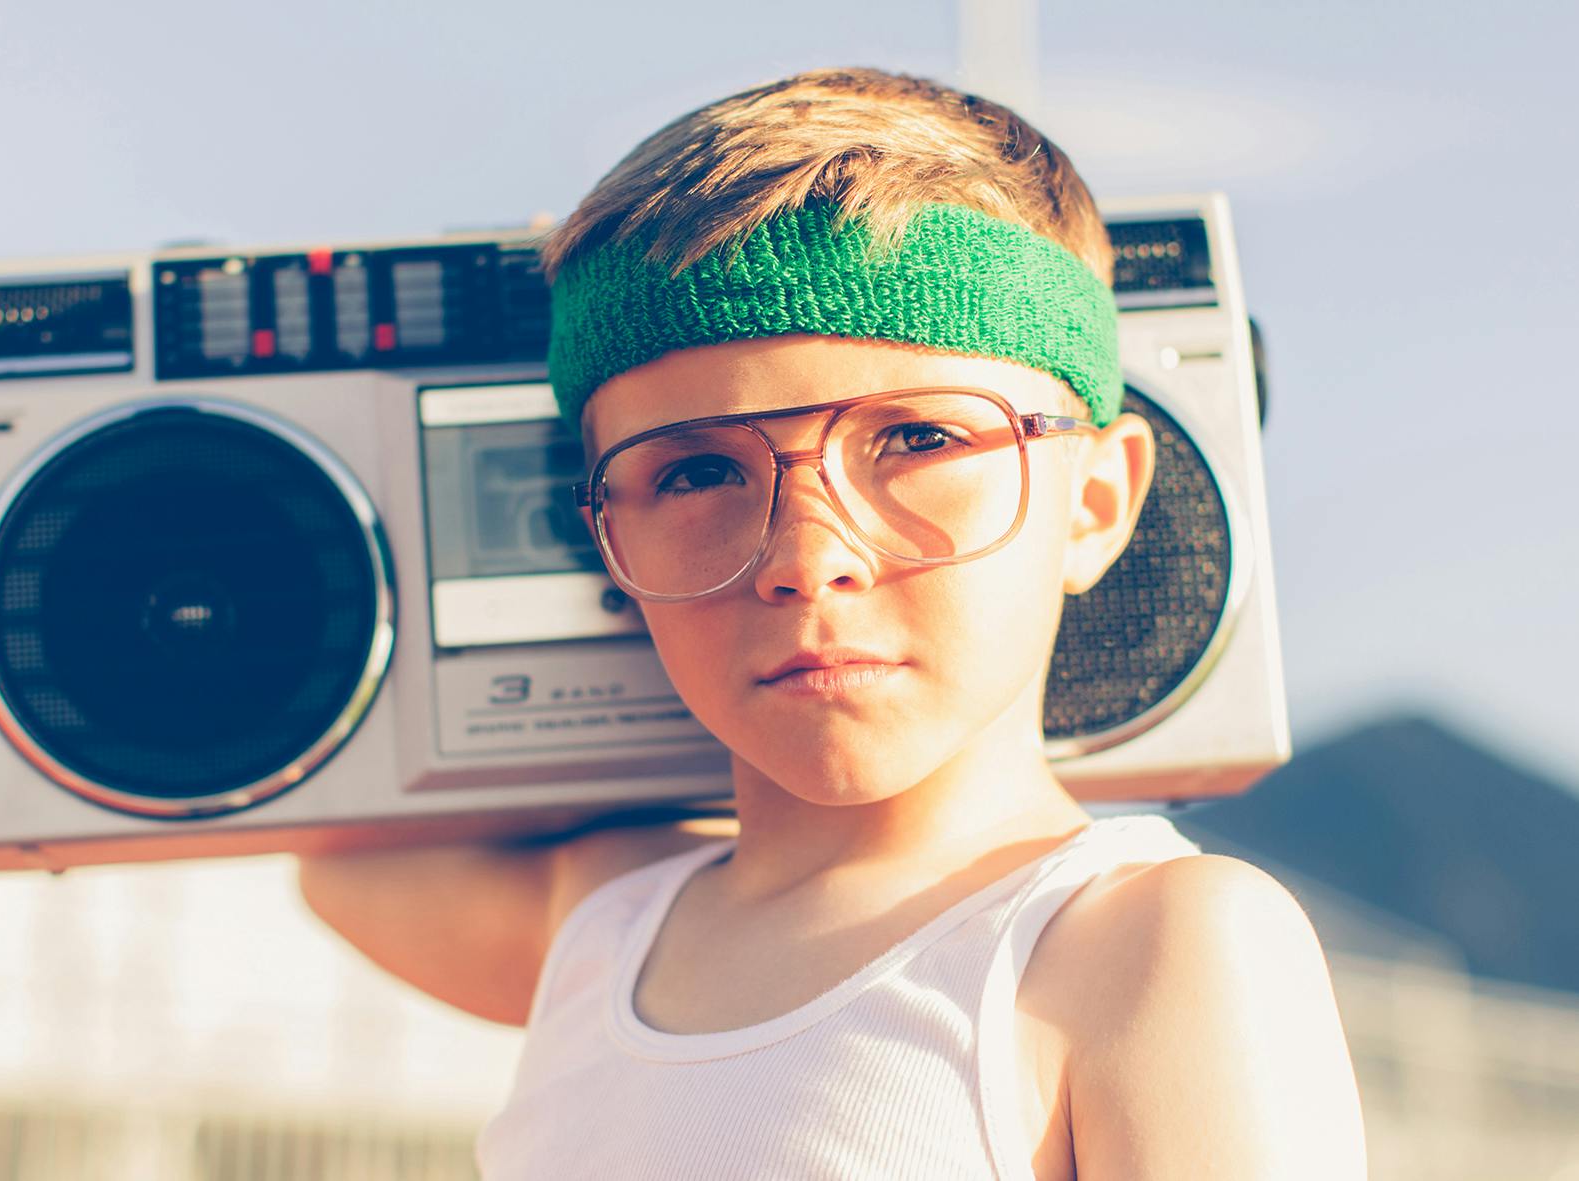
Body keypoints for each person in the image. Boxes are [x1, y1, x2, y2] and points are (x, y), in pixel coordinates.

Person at [296, 65, 1366, 1179]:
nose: (809, 561)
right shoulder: (605, 919)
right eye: (696, 469)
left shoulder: (1145, 941)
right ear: (602, 537)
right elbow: (332, 853)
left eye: (920, 441)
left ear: (1095, 503)